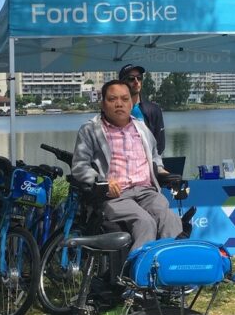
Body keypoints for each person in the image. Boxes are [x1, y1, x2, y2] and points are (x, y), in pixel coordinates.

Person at [72, 79, 182, 249]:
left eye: (124, 99)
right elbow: (80, 166)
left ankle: (169, 269)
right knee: (144, 222)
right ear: (102, 104)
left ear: (132, 103)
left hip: (147, 191)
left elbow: (154, 155)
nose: (119, 104)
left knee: (170, 220)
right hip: (115, 195)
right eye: (112, 99)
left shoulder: (141, 127)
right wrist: (102, 181)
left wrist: (160, 169)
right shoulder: (91, 130)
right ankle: (137, 272)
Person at [118, 63, 165, 154]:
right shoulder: (115, 110)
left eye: (139, 78)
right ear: (122, 83)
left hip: (149, 164)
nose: (136, 82)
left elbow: (160, 145)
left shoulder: (154, 110)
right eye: (131, 79)